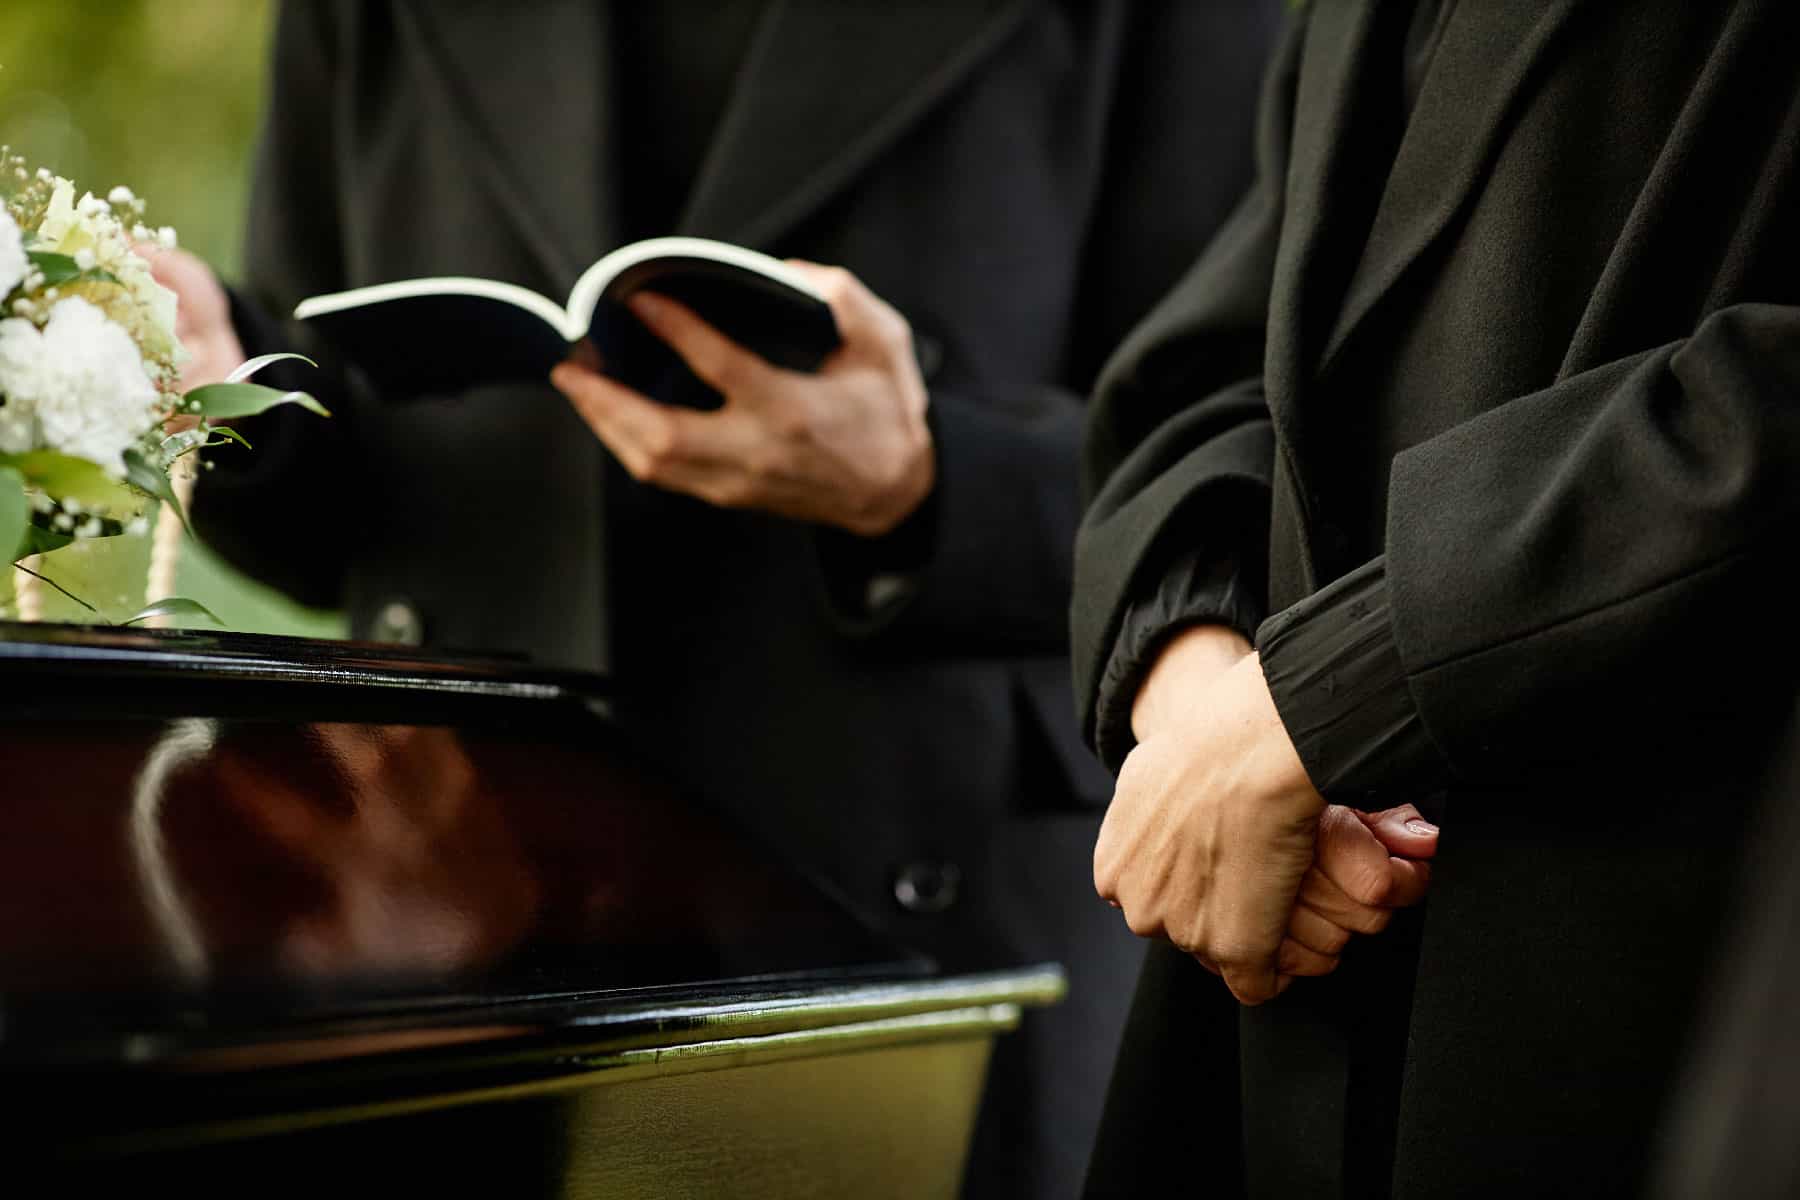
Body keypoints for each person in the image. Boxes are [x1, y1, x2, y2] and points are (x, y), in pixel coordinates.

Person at [150, 3, 1282, 1194]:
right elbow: (338, 505)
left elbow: (1241, 448)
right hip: (456, 912)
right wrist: (230, 399)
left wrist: (928, 480)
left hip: (915, 930)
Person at [1071, 1, 1800, 1196]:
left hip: (1662, 991)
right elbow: (1214, 356)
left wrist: (1330, 690)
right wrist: (1202, 693)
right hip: (1277, 996)